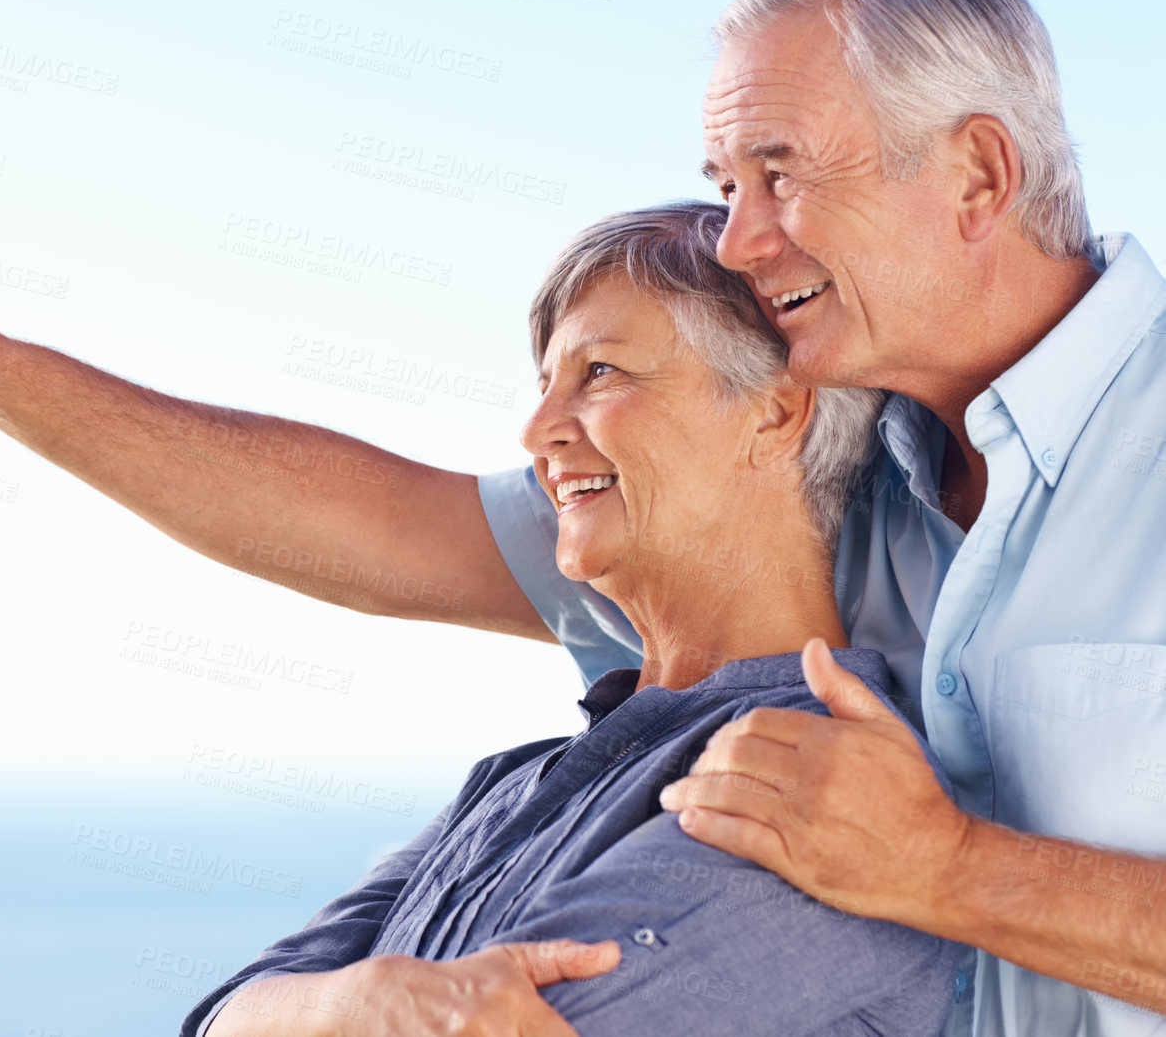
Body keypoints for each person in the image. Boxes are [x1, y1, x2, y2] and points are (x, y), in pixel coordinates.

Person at [0, 0, 1166, 1034]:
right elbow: (369, 524)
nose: (735, 238)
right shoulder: (854, 468)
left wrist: (950, 869)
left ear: (974, 171)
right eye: (720, 181)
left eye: (775, 173)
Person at [182, 201, 959, 1037]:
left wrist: (325, 1010)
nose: (536, 429)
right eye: (546, 384)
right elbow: (221, 1015)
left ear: (774, 413)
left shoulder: (821, 783)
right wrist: (354, 1002)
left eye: (600, 373)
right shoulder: (508, 782)